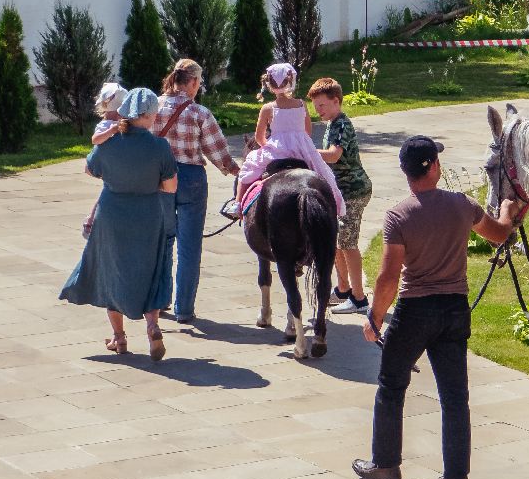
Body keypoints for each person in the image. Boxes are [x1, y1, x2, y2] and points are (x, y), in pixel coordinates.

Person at [352, 135, 519, 479]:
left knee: (392, 386)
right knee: (455, 396)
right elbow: (499, 234)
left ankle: (385, 465)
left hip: (414, 311)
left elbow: (388, 278)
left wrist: (374, 319)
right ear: (434, 167)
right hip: (454, 310)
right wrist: (507, 208)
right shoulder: (462, 205)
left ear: (405, 172)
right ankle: (455, 477)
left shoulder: (399, 215)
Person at [61, 88, 178, 361]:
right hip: (148, 215)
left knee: (111, 272)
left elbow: (90, 169)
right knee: (151, 272)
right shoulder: (160, 146)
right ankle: (152, 326)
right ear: (149, 115)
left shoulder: (109, 143)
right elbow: (170, 187)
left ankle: (119, 338)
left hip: (112, 215)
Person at [154, 59, 240, 324]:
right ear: (191, 82)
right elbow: (218, 151)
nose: (199, 87)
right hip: (191, 178)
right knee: (190, 247)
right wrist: (237, 170)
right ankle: (184, 308)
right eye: (199, 82)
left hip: (158, 178)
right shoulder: (199, 113)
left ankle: (161, 300)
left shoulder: (153, 106)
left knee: (163, 242)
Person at [232, 63, 346, 217]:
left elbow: (259, 137)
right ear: (291, 81)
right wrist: (300, 142)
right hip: (301, 149)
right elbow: (307, 132)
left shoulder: (268, 108)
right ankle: (334, 209)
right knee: (324, 174)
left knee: (248, 167)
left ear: (270, 85)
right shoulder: (301, 104)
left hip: (276, 152)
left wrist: (270, 145)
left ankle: (238, 205)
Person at [307, 77, 372, 314]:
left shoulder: (342, 124)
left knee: (348, 243)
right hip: (340, 192)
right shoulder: (333, 124)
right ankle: (343, 288)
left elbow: (334, 155)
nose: (318, 111)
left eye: (322, 105)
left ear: (336, 101)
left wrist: (308, 151)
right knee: (336, 241)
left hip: (353, 191)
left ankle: (359, 299)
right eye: (316, 106)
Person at [81, 82, 128, 239]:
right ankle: (91, 221)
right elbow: (96, 140)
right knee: (107, 192)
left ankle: (93, 221)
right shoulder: (105, 125)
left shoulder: (117, 123)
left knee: (107, 191)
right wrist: (112, 130)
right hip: (106, 165)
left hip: (114, 165)